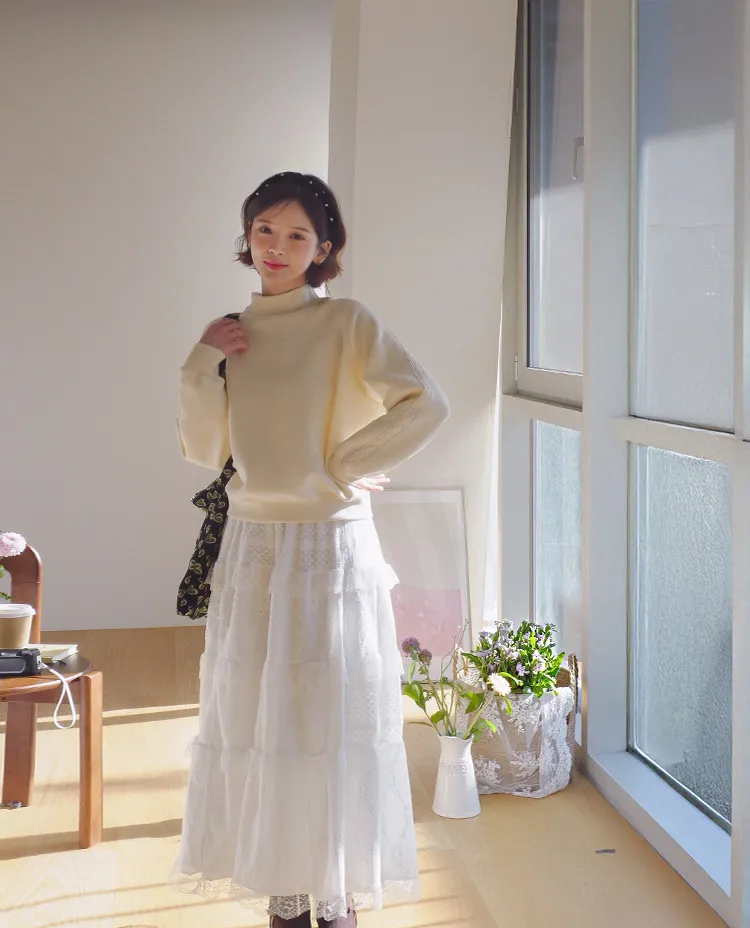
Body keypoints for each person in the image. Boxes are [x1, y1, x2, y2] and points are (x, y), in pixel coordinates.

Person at [173, 172, 449, 927]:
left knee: (326, 716)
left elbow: (425, 402)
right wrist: (199, 362)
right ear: (247, 235)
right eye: (265, 229)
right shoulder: (231, 331)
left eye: (298, 234)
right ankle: (286, 896)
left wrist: (343, 465)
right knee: (259, 714)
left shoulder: (346, 321)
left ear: (323, 248)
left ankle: (335, 895)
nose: (278, 246)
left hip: (329, 547)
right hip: (253, 545)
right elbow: (205, 449)